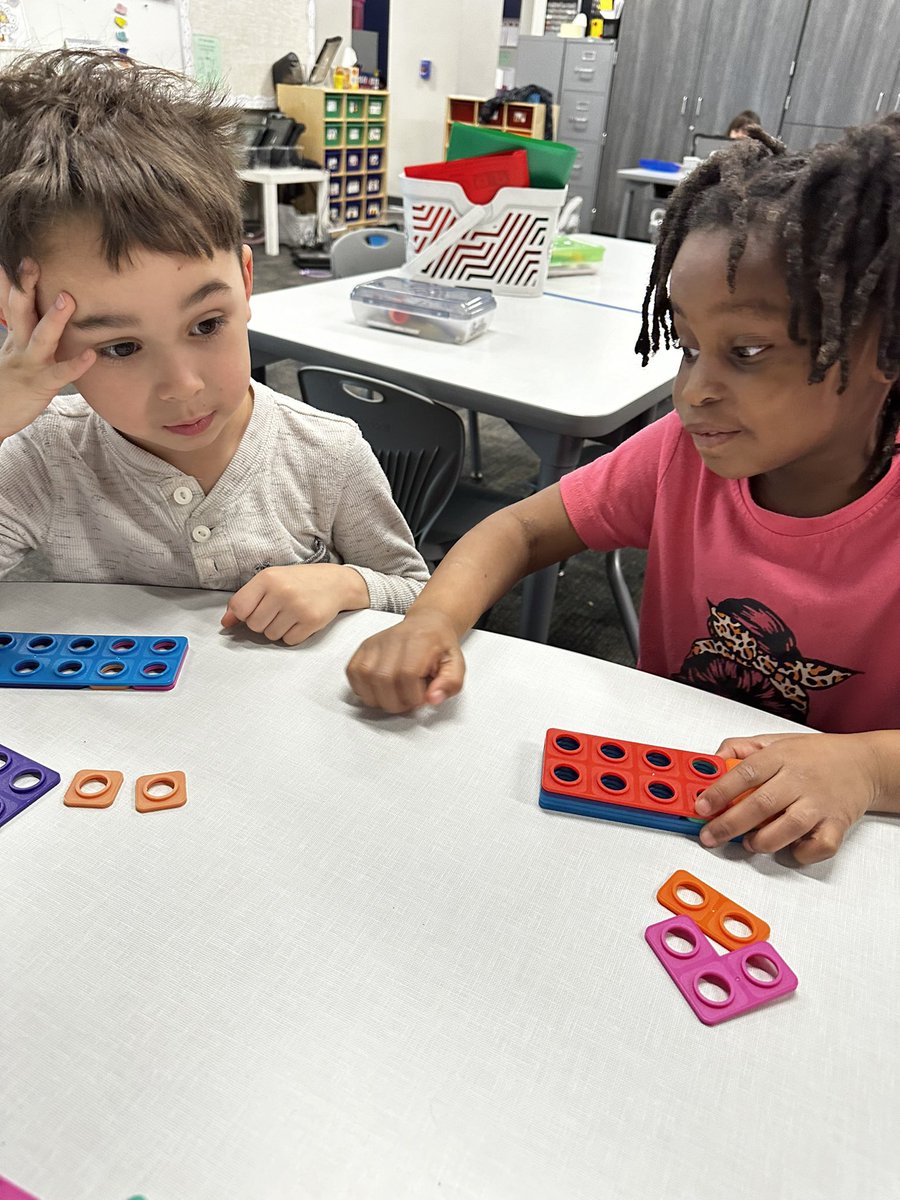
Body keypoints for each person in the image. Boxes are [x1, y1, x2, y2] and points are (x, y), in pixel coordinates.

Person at [346, 117, 900, 865]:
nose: (693, 391)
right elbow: (520, 529)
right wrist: (435, 619)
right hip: (662, 798)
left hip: (829, 847)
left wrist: (865, 769)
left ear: (884, 347)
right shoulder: (682, 455)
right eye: (690, 346)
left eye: (747, 352)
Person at [0, 50, 428, 645]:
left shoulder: (326, 454)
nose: (184, 385)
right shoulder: (38, 461)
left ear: (247, 283)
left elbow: (415, 593)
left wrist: (351, 585)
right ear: (29, 327)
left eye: (206, 324)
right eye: (122, 347)